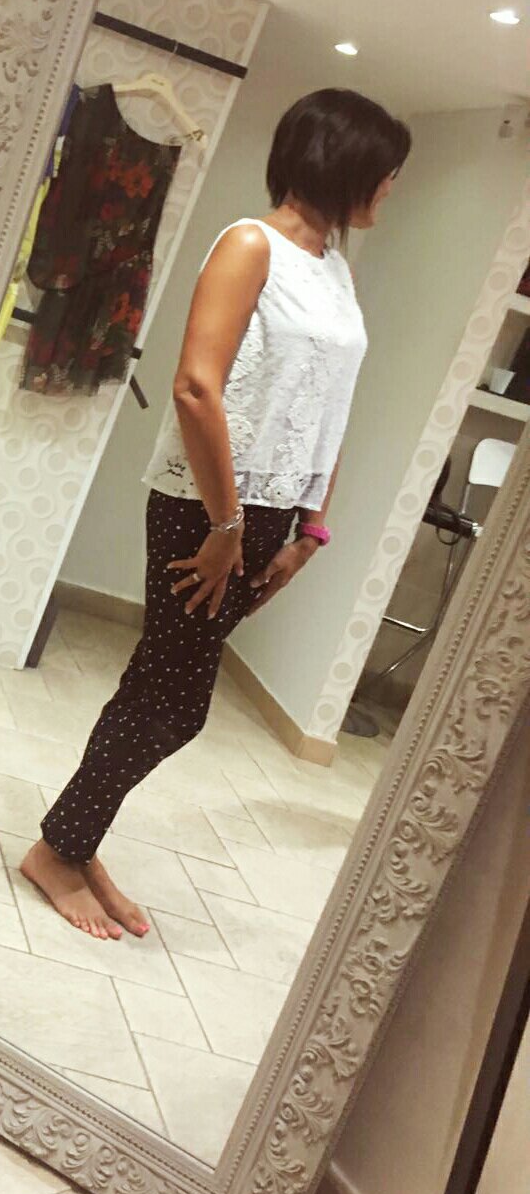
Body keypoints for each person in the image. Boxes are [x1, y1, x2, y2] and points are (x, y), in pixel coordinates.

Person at [22, 88, 411, 939]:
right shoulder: (249, 244)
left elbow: (331, 404)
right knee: (174, 701)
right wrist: (227, 525)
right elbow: (197, 386)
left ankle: (76, 842)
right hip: (206, 506)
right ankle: (60, 848)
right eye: (386, 171)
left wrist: (312, 528)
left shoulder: (336, 270)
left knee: (159, 685)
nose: (390, 187)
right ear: (343, 162)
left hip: (270, 514)